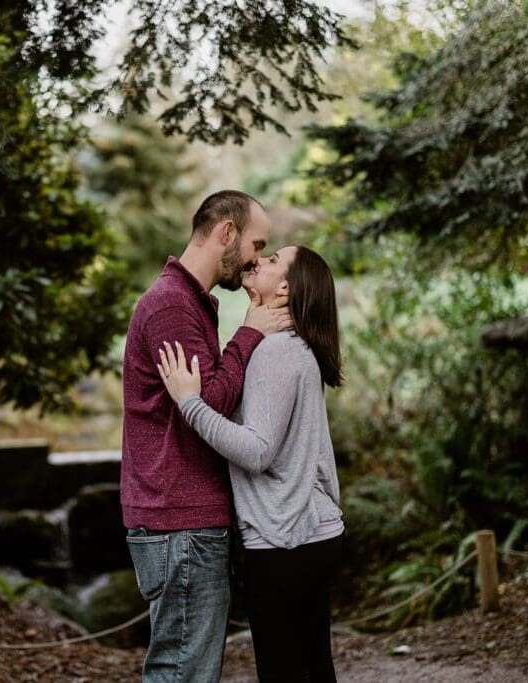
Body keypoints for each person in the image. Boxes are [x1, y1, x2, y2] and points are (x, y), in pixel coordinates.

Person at [121, 190, 292, 682]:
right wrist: (251, 331)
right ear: (226, 232)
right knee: (183, 674)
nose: (258, 258)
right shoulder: (171, 307)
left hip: (183, 523)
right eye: (257, 244)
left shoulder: (187, 301)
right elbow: (209, 404)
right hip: (182, 525)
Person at [157, 245, 345, 682]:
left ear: (284, 288)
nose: (258, 260)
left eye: (273, 259)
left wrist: (190, 403)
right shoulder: (293, 347)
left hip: (285, 541)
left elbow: (257, 451)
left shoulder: (278, 351)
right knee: (314, 667)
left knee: (285, 671)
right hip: (310, 534)